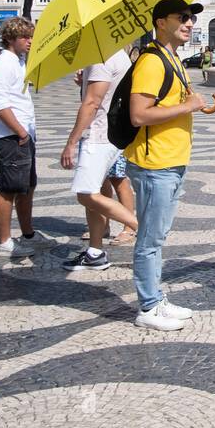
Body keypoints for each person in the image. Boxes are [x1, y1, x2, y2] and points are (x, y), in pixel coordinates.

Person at [126, 0, 209, 332]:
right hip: (154, 163)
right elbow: (139, 114)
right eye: (182, 17)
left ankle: (156, 298)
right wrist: (187, 107)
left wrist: (191, 106)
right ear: (161, 22)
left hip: (171, 160)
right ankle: (147, 307)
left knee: (157, 237)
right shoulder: (151, 62)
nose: (189, 23)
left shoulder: (172, 58)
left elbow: (174, 104)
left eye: (190, 18)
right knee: (149, 239)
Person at [59, 49, 140, 271]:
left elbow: (92, 102)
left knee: (86, 194)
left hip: (98, 135)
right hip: (111, 132)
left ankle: (139, 228)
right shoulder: (119, 54)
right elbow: (108, 92)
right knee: (93, 188)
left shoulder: (100, 57)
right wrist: (85, 82)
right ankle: (95, 252)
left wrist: (71, 141)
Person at [0, 17, 45, 258]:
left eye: (31, 36)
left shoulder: (18, 62)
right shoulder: (3, 64)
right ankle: (4, 243)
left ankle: (28, 233)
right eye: (25, 37)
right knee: (9, 189)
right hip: (11, 136)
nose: (30, 41)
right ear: (10, 38)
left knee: (27, 187)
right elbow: (0, 104)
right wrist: (20, 132)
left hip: (23, 135)